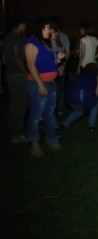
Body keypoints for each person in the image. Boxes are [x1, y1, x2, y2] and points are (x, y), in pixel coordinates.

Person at [25, 18, 65, 157]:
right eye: (48, 28)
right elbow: (31, 65)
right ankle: (34, 145)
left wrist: (58, 59)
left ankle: (52, 140)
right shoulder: (31, 43)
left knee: (49, 113)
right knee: (36, 114)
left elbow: (50, 63)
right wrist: (41, 84)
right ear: (40, 28)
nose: (50, 31)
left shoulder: (45, 44)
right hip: (38, 84)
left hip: (51, 83)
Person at [3, 16, 29, 143]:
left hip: (9, 74)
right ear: (20, 25)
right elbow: (16, 55)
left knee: (14, 104)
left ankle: (11, 131)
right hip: (18, 74)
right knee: (22, 103)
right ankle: (17, 133)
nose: (25, 28)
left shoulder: (7, 37)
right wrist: (25, 72)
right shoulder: (16, 37)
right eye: (24, 25)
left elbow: (4, 58)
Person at [58, 63, 98, 132]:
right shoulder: (96, 76)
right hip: (85, 95)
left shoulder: (80, 75)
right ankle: (91, 126)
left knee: (79, 111)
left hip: (71, 95)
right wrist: (92, 101)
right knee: (96, 104)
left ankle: (64, 125)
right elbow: (97, 93)